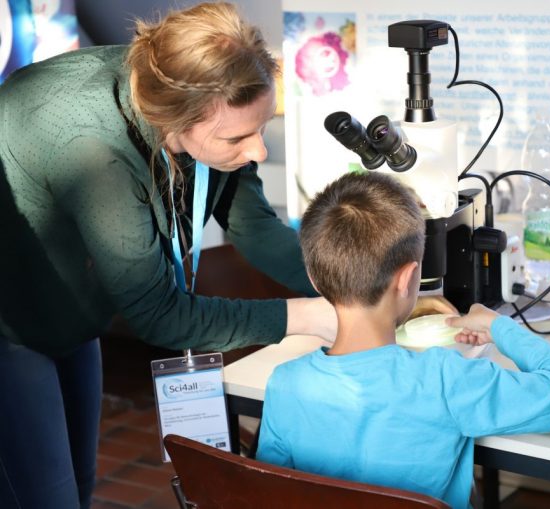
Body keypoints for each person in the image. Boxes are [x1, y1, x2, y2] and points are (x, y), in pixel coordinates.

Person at [0, 3, 339, 508]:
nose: (258, 152)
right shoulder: (94, 150)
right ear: (175, 121)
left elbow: (257, 230)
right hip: (10, 324)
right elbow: (159, 315)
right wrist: (312, 316)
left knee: (80, 482)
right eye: (238, 137)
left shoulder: (199, 98)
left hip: (70, 308)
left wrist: (353, 290)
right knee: (48, 499)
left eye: (261, 128)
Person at [256, 172, 550, 509]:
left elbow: (273, 493)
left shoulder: (285, 384)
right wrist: (499, 328)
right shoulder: (444, 379)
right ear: (408, 278)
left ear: (315, 279)